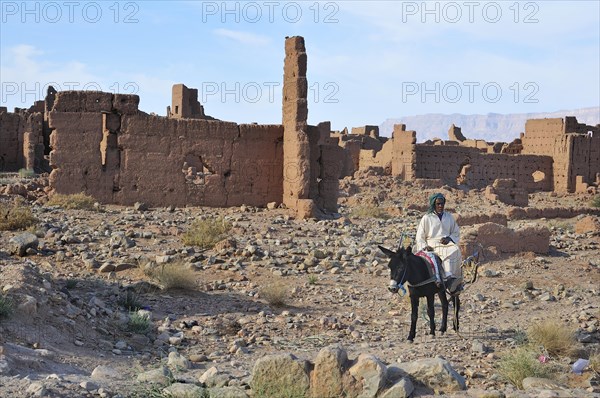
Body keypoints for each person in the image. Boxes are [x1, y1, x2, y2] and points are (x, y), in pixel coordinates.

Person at [415, 193, 462, 293]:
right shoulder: (427, 218)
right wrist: (424, 246)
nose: (440, 206)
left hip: (446, 242)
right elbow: (420, 236)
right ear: (433, 204)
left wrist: (449, 238)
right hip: (432, 243)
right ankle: (448, 277)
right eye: (438, 204)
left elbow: (456, 232)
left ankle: (455, 278)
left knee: (455, 249)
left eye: (442, 204)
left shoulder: (449, 217)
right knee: (446, 252)